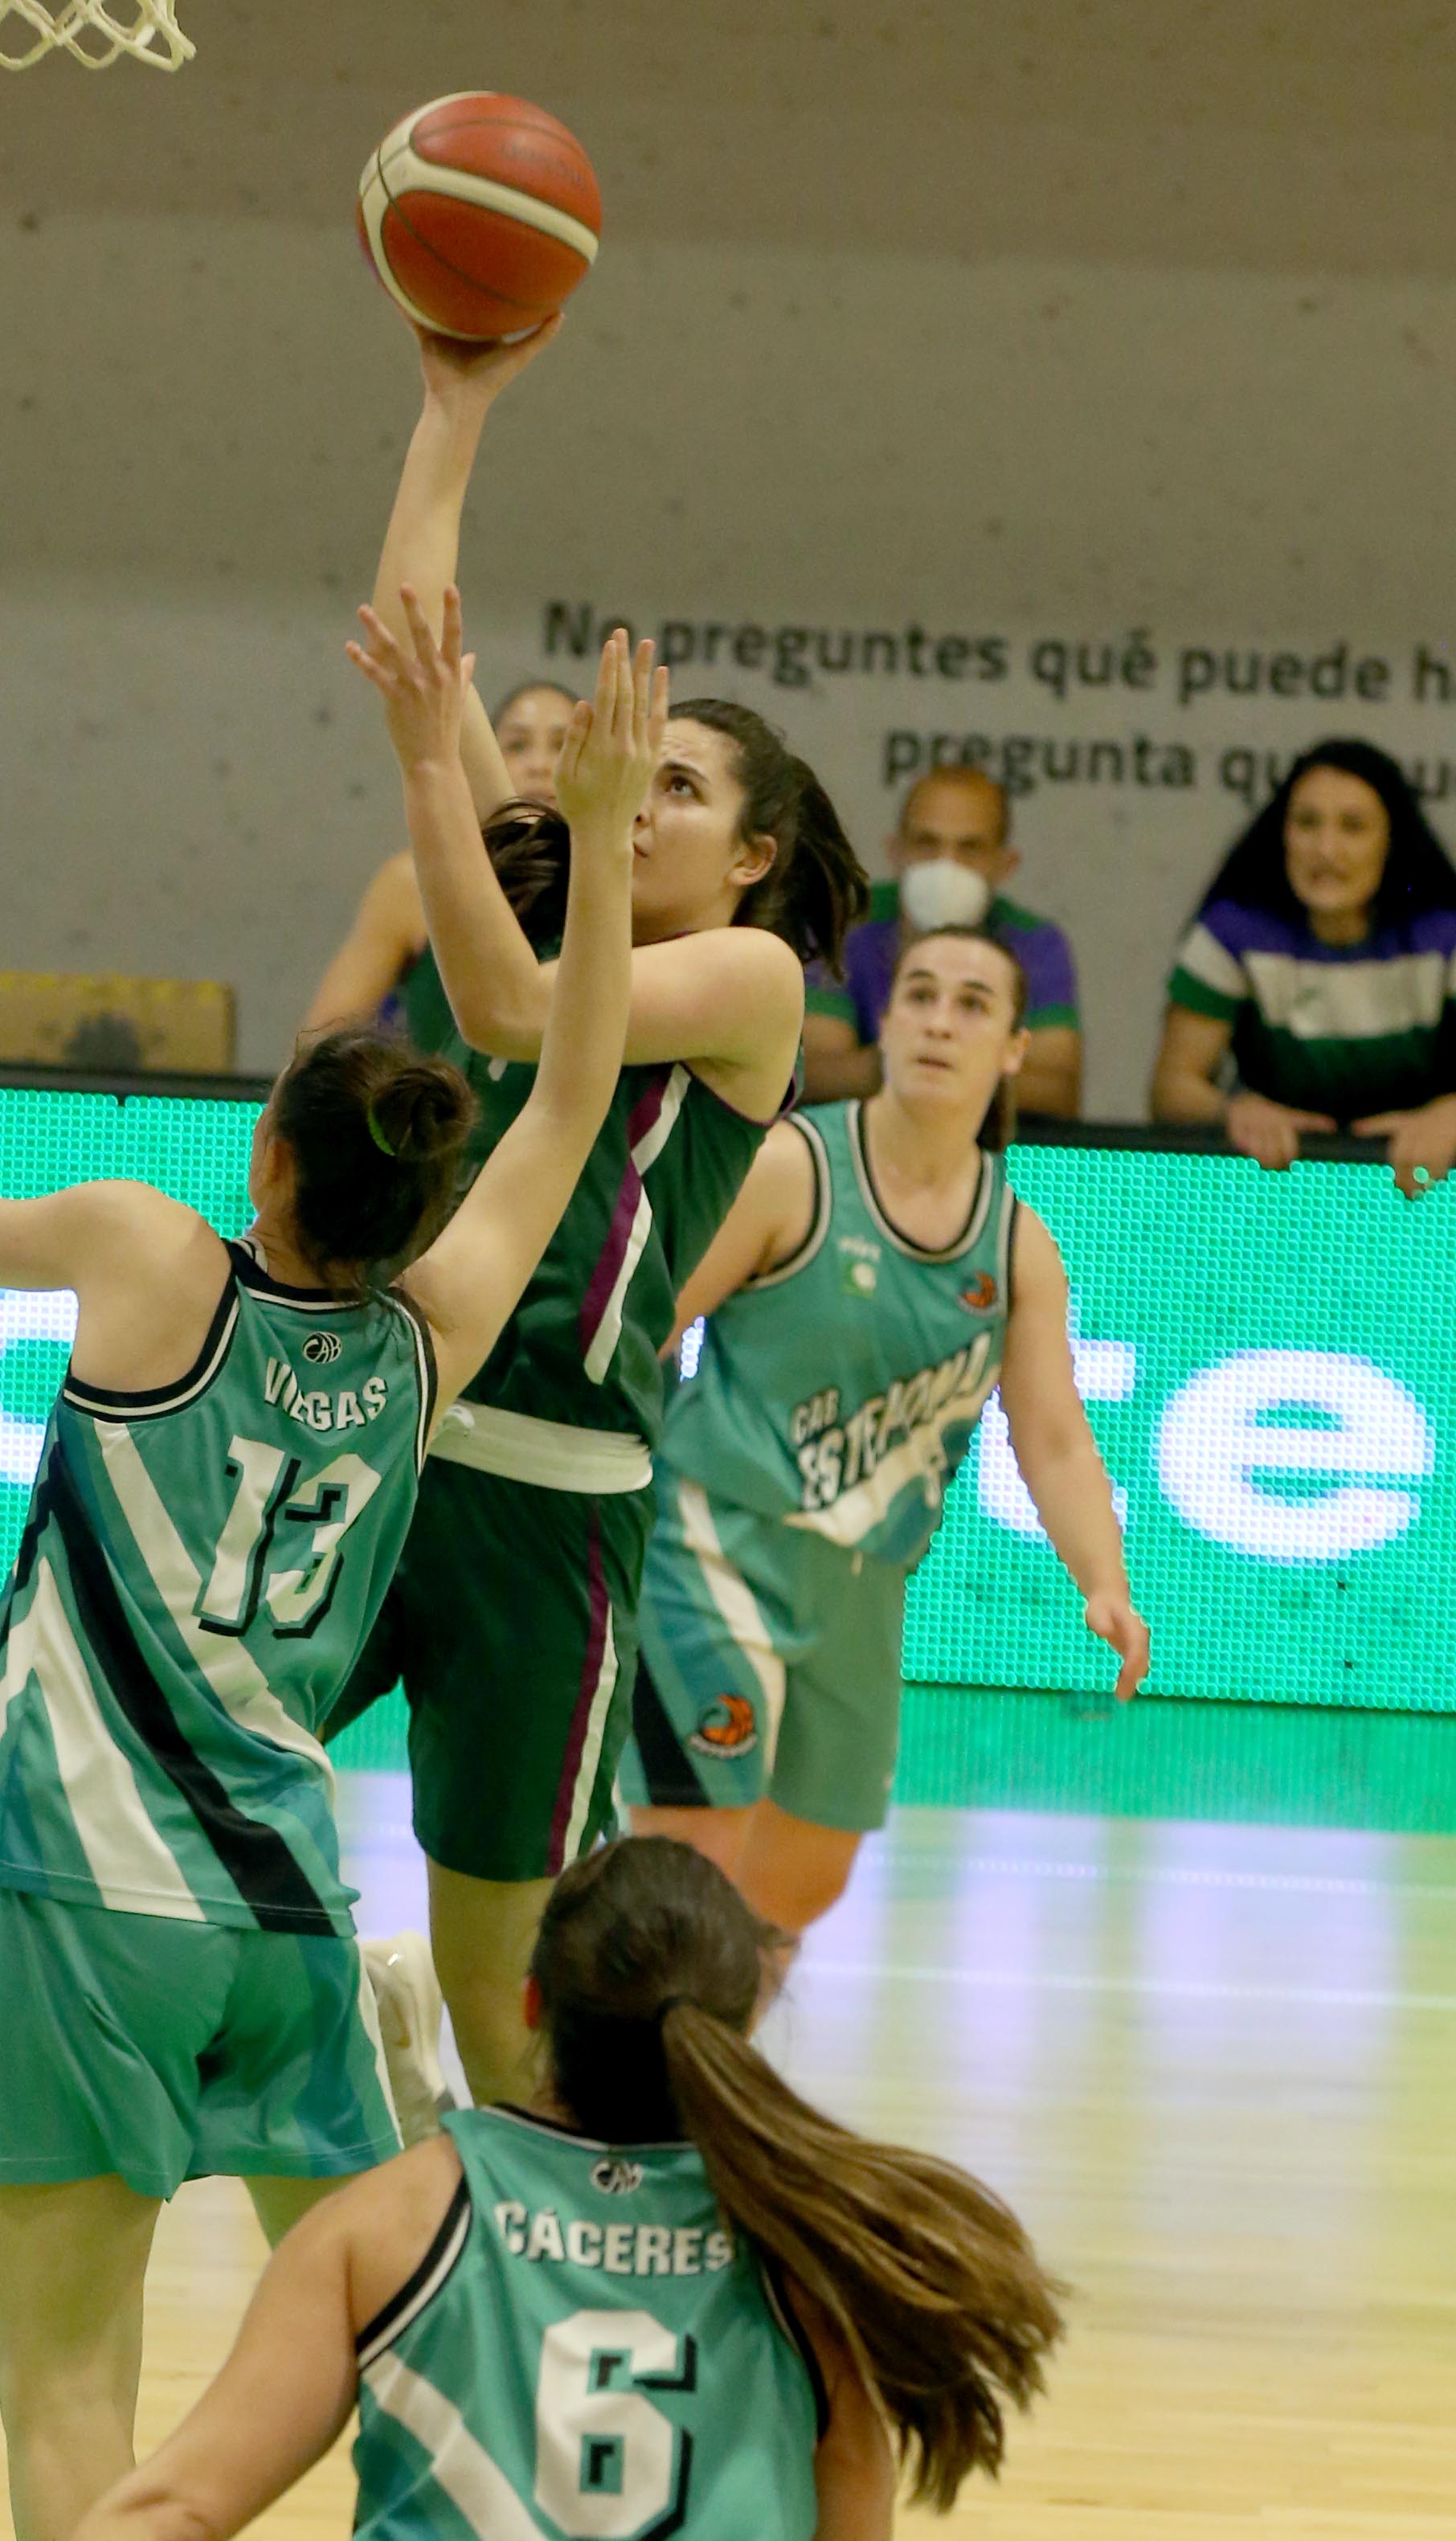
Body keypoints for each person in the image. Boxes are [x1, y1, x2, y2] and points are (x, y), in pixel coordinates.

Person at [0, 615, 662, 2541]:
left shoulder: (151, 1253)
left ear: (270, 1156)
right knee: (380, 2326)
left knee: (70, 2380)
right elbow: (570, 1103)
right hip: (291, 1920)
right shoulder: (435, 1340)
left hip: (89, 1900)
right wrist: (611, 848)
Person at [328, 317, 868, 2111]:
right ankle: (323, 2066)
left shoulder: (752, 983)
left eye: (681, 788)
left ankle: (530, 2220)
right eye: (638, 768)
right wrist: (453, 408)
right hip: (381, 1436)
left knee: (509, 1997)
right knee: (189, 1753)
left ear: (754, 857)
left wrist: (466, 789)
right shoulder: (551, 878)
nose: (636, 799)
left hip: (550, 1513)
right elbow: (426, 634)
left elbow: (510, 1014)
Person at [72, 1835, 1066, 2541]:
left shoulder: (386, 2225)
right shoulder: (812, 2251)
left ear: (533, 2001)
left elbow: (173, 2511)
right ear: (739, 2029)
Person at [627, 928, 1149, 1936]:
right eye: (919, 995)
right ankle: (606, 2078)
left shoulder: (1016, 1241)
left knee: (800, 1885)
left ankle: (712, 2077)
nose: (940, 1021)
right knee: (690, 1851)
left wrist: (1105, 1581)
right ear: (884, 1020)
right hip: (712, 1541)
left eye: (971, 1004)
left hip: (864, 1585)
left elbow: (1054, 1436)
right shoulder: (793, 1165)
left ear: (1012, 1049)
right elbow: (650, 1325)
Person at [1151, 739, 1456, 1196]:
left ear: (1392, 842)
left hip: (1427, 1197)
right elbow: (1172, 1088)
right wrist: (1232, 1111)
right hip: (1273, 1194)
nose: (1325, 850)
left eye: (1353, 827)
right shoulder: (1233, 932)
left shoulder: (1445, 934)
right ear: (1282, 833)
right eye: (1307, 823)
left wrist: (1451, 1116)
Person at [301, 677, 578, 1038]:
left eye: (562, 746)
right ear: (484, 760)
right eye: (518, 745)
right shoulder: (411, 882)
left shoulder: (623, 885)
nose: (540, 765)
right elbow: (321, 1039)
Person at [802, 767, 1082, 1118]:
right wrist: (949, 1065)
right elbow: (811, 1076)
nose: (945, 864)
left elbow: (1056, 1091)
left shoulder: (1037, 943)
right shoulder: (842, 924)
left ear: (1005, 864)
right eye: (926, 843)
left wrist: (923, 1063)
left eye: (970, 848)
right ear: (896, 850)